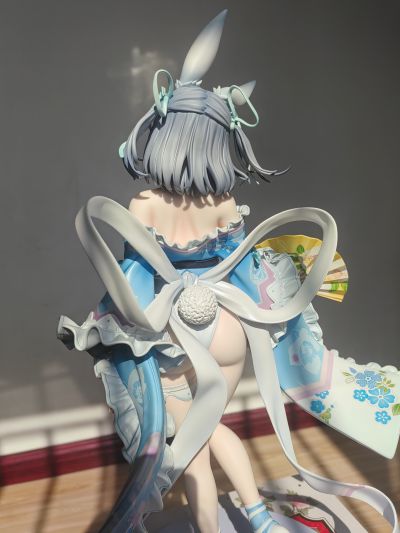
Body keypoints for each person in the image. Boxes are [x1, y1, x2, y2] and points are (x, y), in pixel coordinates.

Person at [57, 10, 400, 533]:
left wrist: (112, 324)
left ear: (164, 133)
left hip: (173, 332)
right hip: (228, 326)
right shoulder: (223, 203)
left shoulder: (142, 204)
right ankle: (259, 518)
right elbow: (241, 263)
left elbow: (132, 272)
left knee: (192, 445)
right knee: (214, 424)